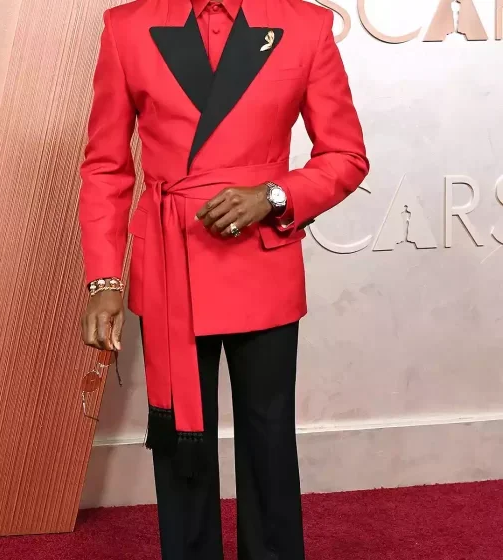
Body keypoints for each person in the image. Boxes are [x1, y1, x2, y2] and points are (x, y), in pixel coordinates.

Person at [78, 0, 369, 558]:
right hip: (171, 266)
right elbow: (106, 167)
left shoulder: (305, 25)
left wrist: (274, 195)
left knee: (268, 438)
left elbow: (346, 154)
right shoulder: (127, 27)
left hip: (261, 262)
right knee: (180, 441)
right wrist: (104, 280)